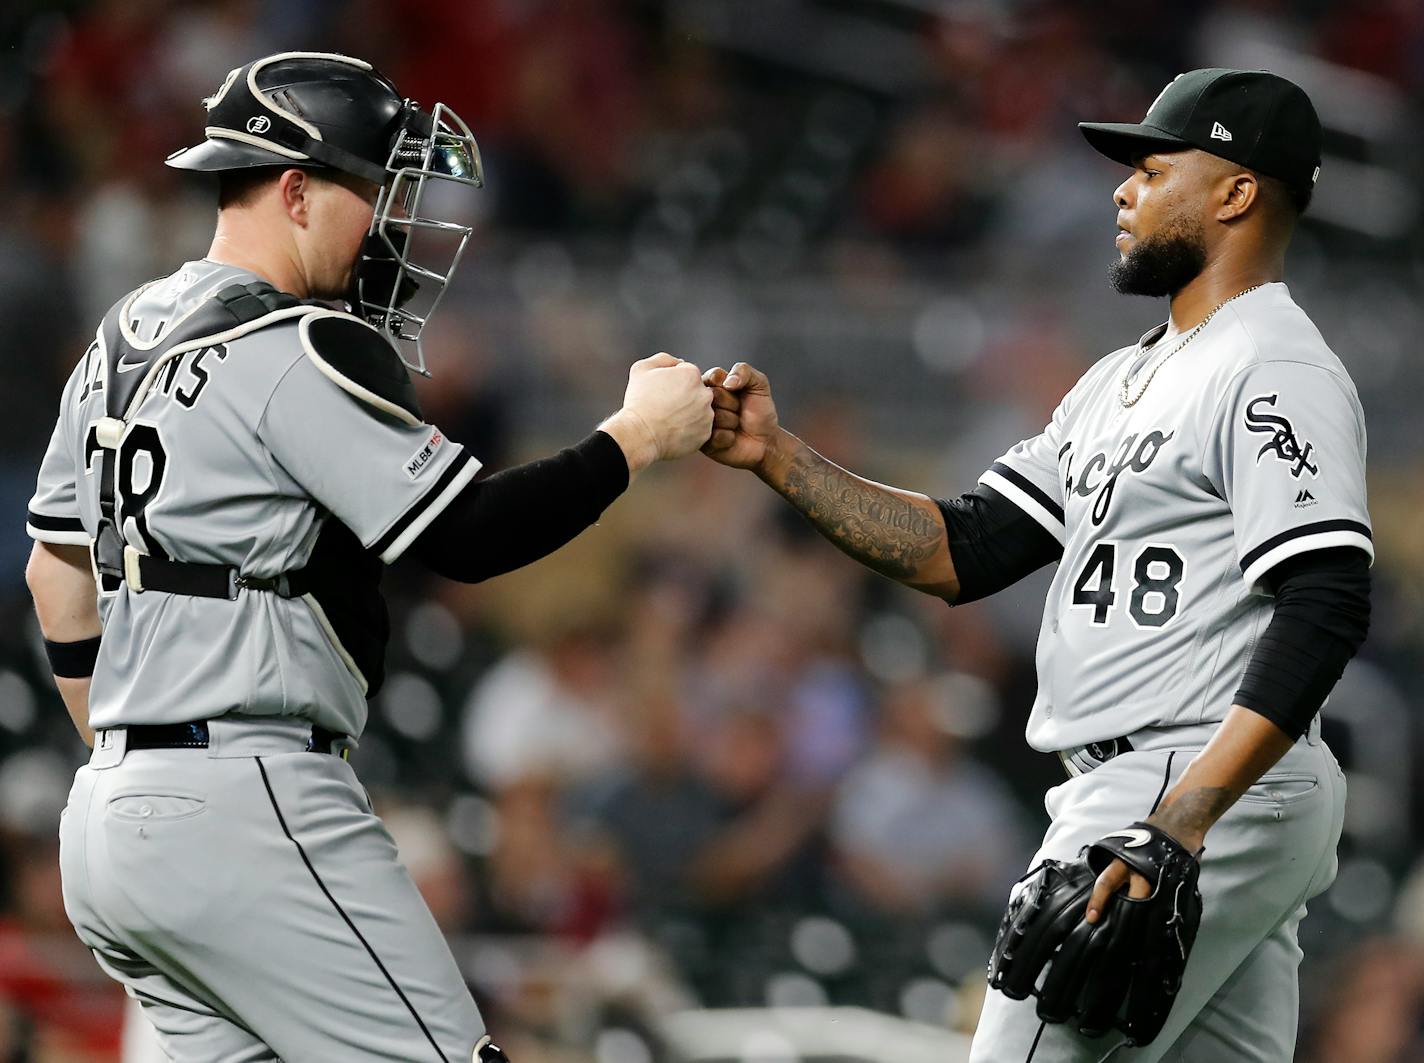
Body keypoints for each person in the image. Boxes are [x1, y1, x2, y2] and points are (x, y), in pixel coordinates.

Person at [23, 51, 712, 1062]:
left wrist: (128, 761)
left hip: (112, 824)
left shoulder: (122, 334)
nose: (388, 226)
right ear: (295, 190)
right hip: (248, 797)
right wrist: (635, 437)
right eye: (371, 191)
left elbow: (55, 574)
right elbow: (466, 536)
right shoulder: (294, 341)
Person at [702, 68, 1370, 1062]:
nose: (1120, 190)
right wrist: (776, 454)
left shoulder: (1269, 364)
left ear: (1235, 192)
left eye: (1150, 168)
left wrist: (1180, 817)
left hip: (1183, 772)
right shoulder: (1120, 379)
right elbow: (959, 547)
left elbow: (1324, 596)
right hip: (1184, 784)